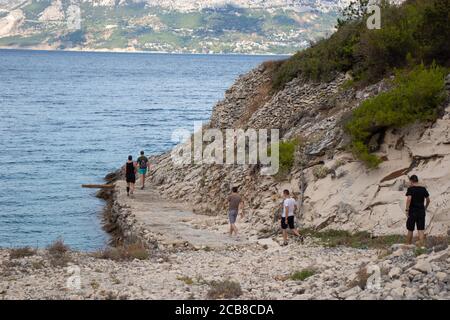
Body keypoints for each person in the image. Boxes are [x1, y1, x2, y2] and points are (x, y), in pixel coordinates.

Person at [405, 175, 430, 247]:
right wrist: (425, 207)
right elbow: (428, 200)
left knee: (410, 229)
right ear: (417, 180)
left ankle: (408, 245)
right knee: (421, 229)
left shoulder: (410, 189)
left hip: (412, 211)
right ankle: (421, 247)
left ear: (411, 181)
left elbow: (409, 199)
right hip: (421, 211)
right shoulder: (423, 189)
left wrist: (407, 210)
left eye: (410, 181)